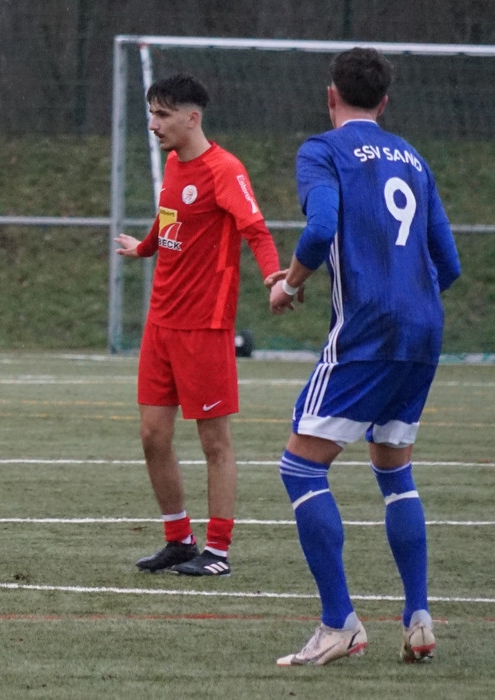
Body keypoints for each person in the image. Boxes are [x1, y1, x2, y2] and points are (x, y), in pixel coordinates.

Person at [267, 48, 461, 666]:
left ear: (331, 96)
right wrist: (408, 299)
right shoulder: (414, 159)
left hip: (369, 329)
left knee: (300, 469)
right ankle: (418, 614)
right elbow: (449, 264)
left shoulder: (323, 150)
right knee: (393, 467)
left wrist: (289, 284)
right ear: (384, 102)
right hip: (423, 329)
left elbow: (320, 228)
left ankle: (339, 624)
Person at [114, 73, 280, 578]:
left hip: (204, 327)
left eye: (162, 114)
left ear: (192, 118)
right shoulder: (172, 163)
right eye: (151, 113)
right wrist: (143, 249)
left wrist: (275, 277)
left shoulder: (225, 170)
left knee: (214, 443)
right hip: (160, 323)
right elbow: (169, 218)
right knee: (152, 435)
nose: (153, 124)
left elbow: (256, 230)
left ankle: (218, 551)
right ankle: (179, 539)